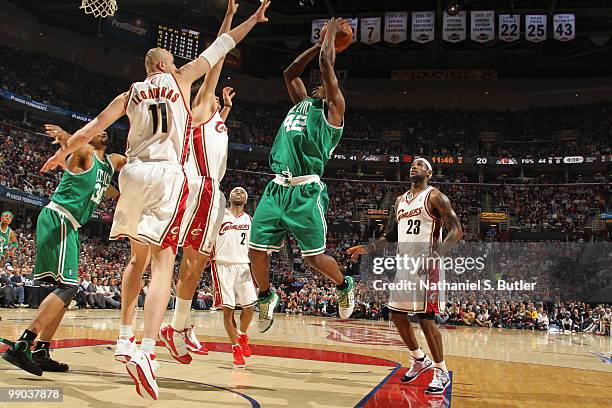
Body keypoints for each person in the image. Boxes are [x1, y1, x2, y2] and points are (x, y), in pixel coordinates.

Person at [39, 1, 269, 399]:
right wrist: (253, 18)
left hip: (131, 174)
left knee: (135, 259)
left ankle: (125, 337)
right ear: (165, 66)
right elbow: (223, 44)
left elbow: (93, 127)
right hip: (166, 175)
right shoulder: (180, 79)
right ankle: (147, 350)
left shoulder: (130, 93)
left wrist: (63, 152)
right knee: (163, 264)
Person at [248, 17, 355, 332]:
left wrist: (331, 37)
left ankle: (344, 285)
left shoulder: (333, 110)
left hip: (306, 191)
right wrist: (318, 42)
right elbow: (290, 72)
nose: (317, 85)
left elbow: (325, 66)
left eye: (323, 84)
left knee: (313, 258)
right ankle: (266, 296)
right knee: (255, 251)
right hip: (276, 187)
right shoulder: (302, 103)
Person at [1, 125, 124, 377]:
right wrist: (65, 137)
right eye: (96, 130)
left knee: (69, 291)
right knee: (68, 287)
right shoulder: (86, 153)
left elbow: (127, 161)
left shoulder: (110, 163)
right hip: (59, 217)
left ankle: (42, 350)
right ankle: (24, 344)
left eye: (105, 131)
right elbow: (77, 142)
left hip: (71, 225)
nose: (103, 132)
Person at [158, 0, 240, 364]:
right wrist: (230, 18)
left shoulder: (217, 114)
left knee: (198, 262)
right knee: (189, 261)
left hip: (212, 191)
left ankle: (181, 322)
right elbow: (215, 61)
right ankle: (174, 326)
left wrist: (226, 110)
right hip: (197, 186)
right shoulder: (198, 107)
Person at [348, 158, 463, 395]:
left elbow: (457, 230)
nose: (415, 166)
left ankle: (441, 370)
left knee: (426, 319)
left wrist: (436, 255)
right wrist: (368, 248)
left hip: (427, 265)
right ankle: (419, 358)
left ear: (429, 172)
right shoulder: (399, 201)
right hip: (404, 264)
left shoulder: (435, 196)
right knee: (396, 313)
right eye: (413, 165)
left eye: (420, 165)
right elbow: (392, 234)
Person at [209, 187, 256, 368]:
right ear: (229, 197)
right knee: (228, 310)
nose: (238, 192)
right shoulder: (220, 216)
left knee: (250, 307)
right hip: (221, 264)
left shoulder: (250, 220)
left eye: (242, 191)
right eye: (235, 190)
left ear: (246, 200)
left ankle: (242, 334)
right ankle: (235, 348)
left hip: (243, 265)